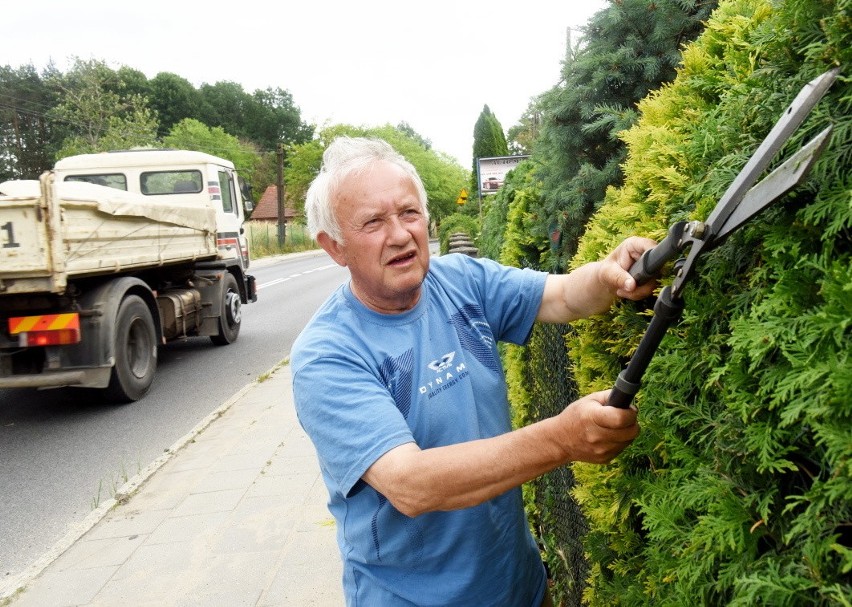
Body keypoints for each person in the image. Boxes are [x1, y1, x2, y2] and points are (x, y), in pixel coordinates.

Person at [290, 136, 657, 606]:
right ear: (334, 247)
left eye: (409, 213)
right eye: (373, 222)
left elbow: (563, 295)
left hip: (519, 584)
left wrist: (608, 273)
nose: (400, 234)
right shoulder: (328, 355)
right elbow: (411, 483)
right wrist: (563, 439)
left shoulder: (460, 281)